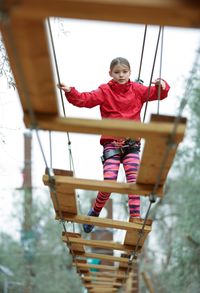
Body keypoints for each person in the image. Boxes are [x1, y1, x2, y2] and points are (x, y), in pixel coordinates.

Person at [57, 57, 170, 233]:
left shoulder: (138, 90)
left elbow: (158, 93)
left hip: (132, 145)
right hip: (112, 144)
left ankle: (135, 216)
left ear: (130, 72)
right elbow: (85, 100)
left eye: (124, 72)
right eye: (117, 72)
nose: (121, 75)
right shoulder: (105, 90)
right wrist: (71, 91)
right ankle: (95, 212)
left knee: (134, 181)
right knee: (110, 181)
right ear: (110, 73)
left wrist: (162, 84)